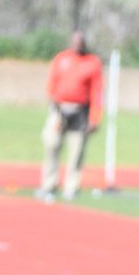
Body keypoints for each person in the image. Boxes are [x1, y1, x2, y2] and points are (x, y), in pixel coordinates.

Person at [38, 30, 103, 201]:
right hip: (59, 109)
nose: (77, 44)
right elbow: (51, 85)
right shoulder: (61, 59)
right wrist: (55, 108)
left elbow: (97, 92)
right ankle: (48, 185)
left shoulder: (92, 62)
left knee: (77, 151)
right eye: (75, 41)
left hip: (81, 111)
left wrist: (94, 118)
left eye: (80, 41)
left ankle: (71, 187)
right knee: (52, 144)